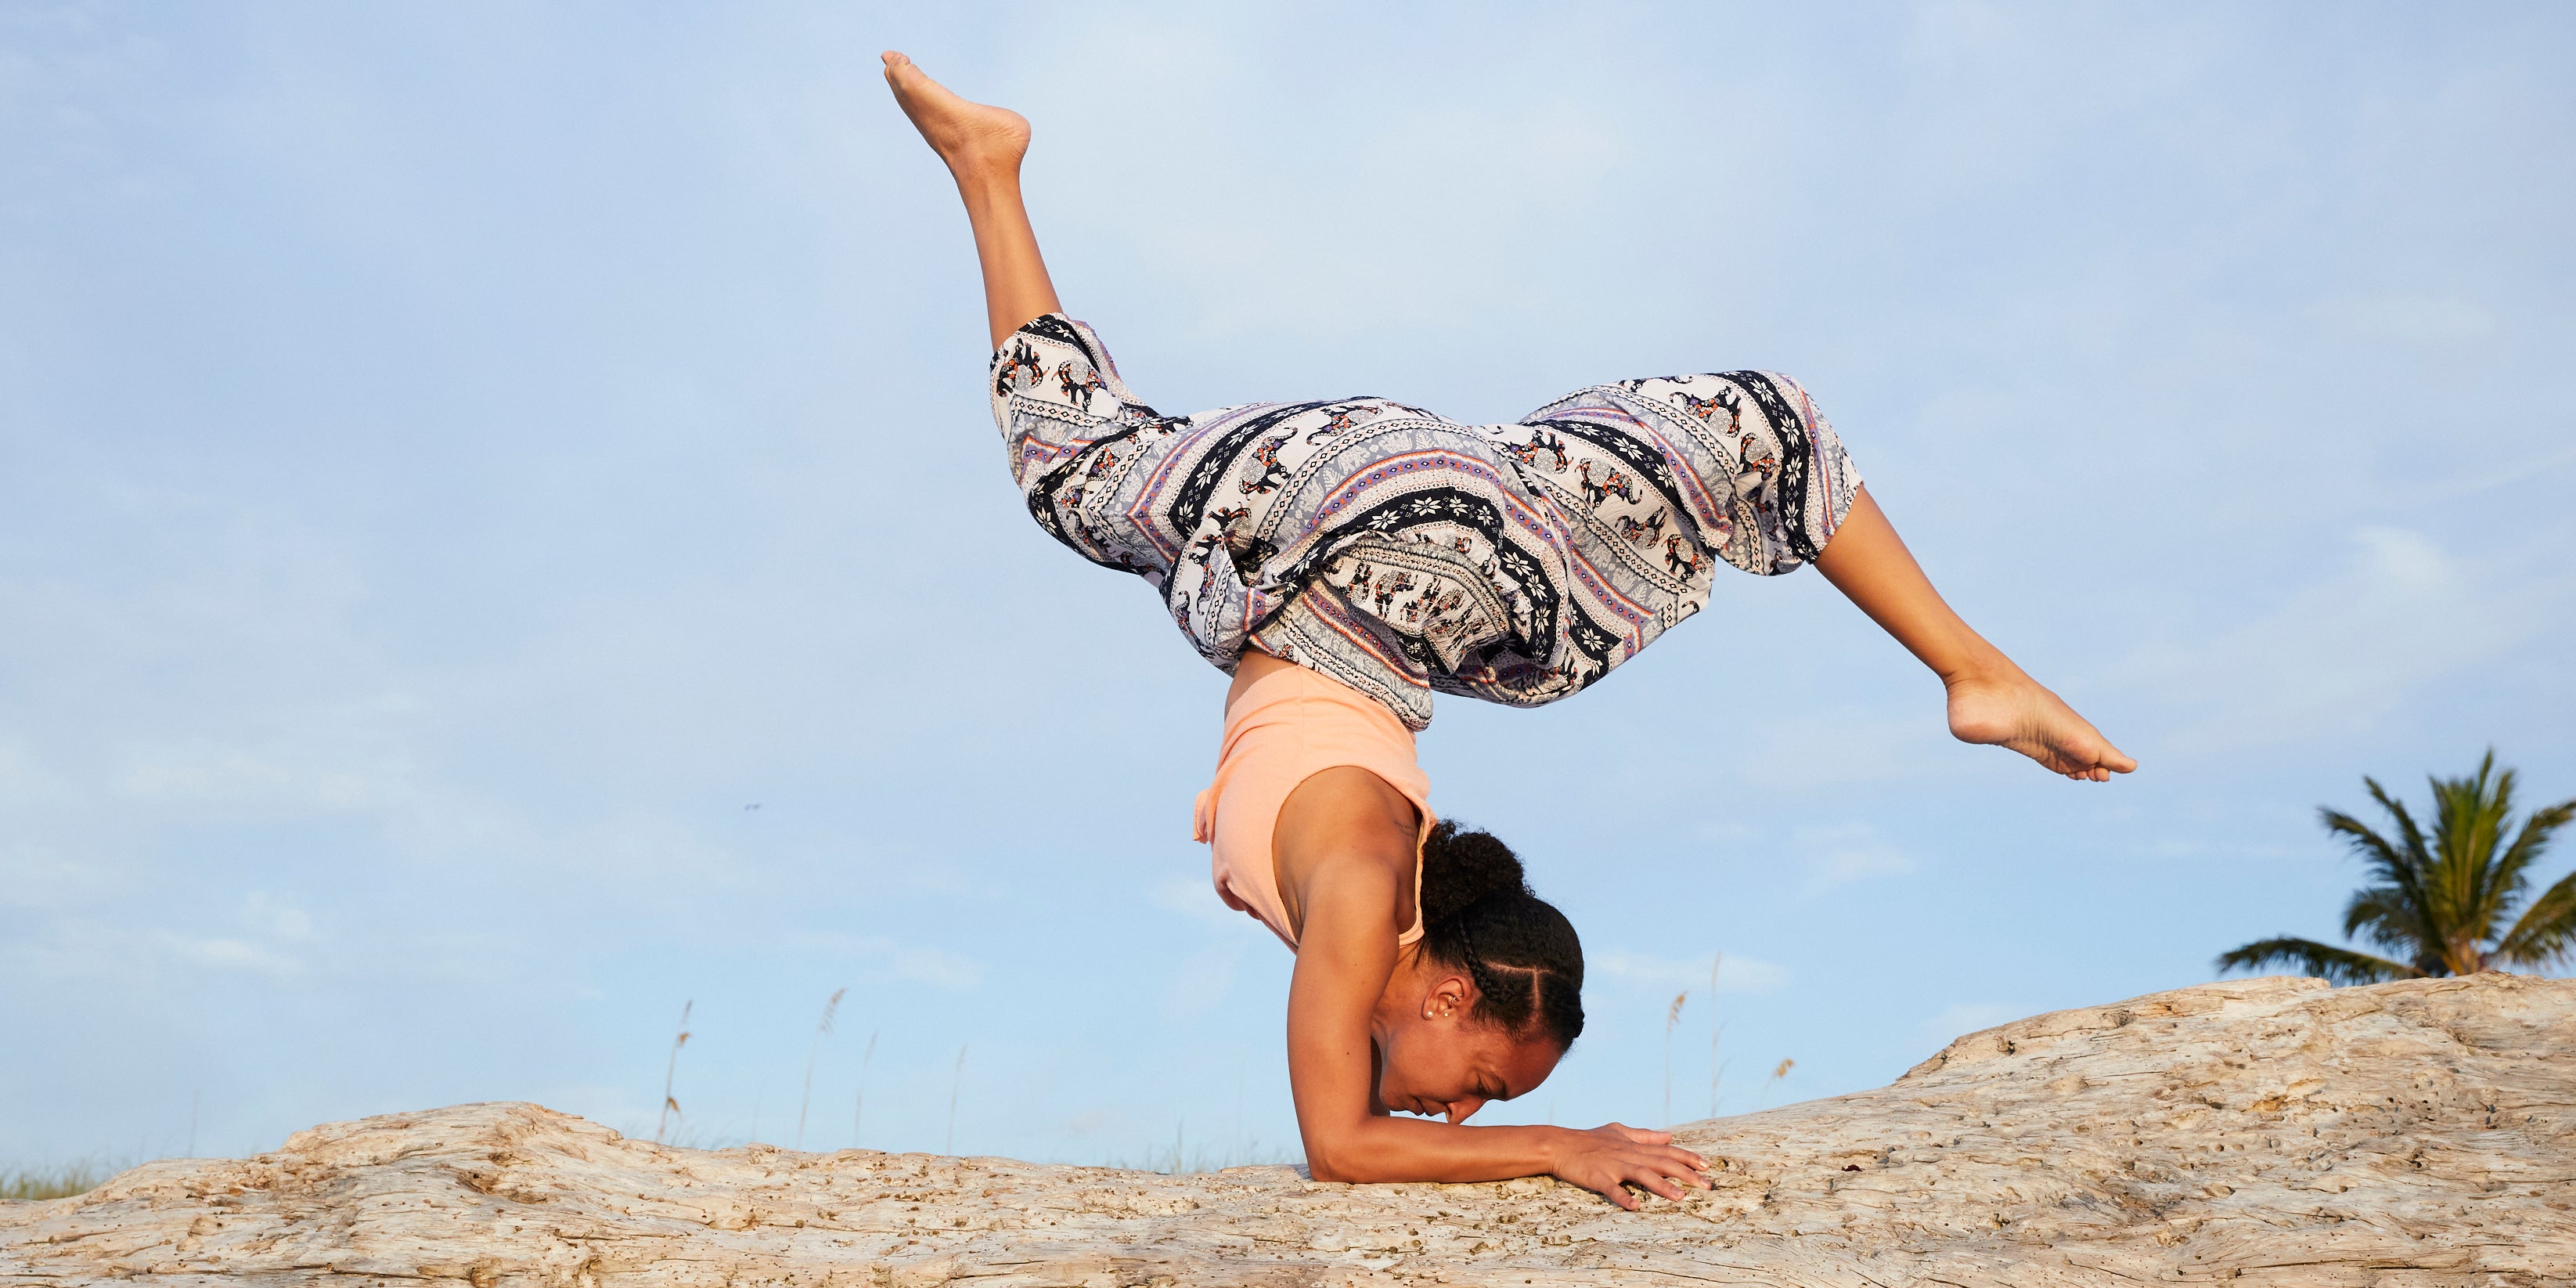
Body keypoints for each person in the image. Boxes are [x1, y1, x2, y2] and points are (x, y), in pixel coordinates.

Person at [882, 51, 2135, 1210]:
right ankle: (1970, 667)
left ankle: (986, 165)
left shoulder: (1384, 902)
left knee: (1081, 464)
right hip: (1354, 555)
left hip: (1389, 522)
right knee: (1083, 479)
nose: (1461, 1106)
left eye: (1487, 1103)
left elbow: (1366, 1115)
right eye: (1483, 1075)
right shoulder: (1370, 893)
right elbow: (1345, 1148)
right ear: (1446, 989)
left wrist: (1498, 1129)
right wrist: (1561, 1145)